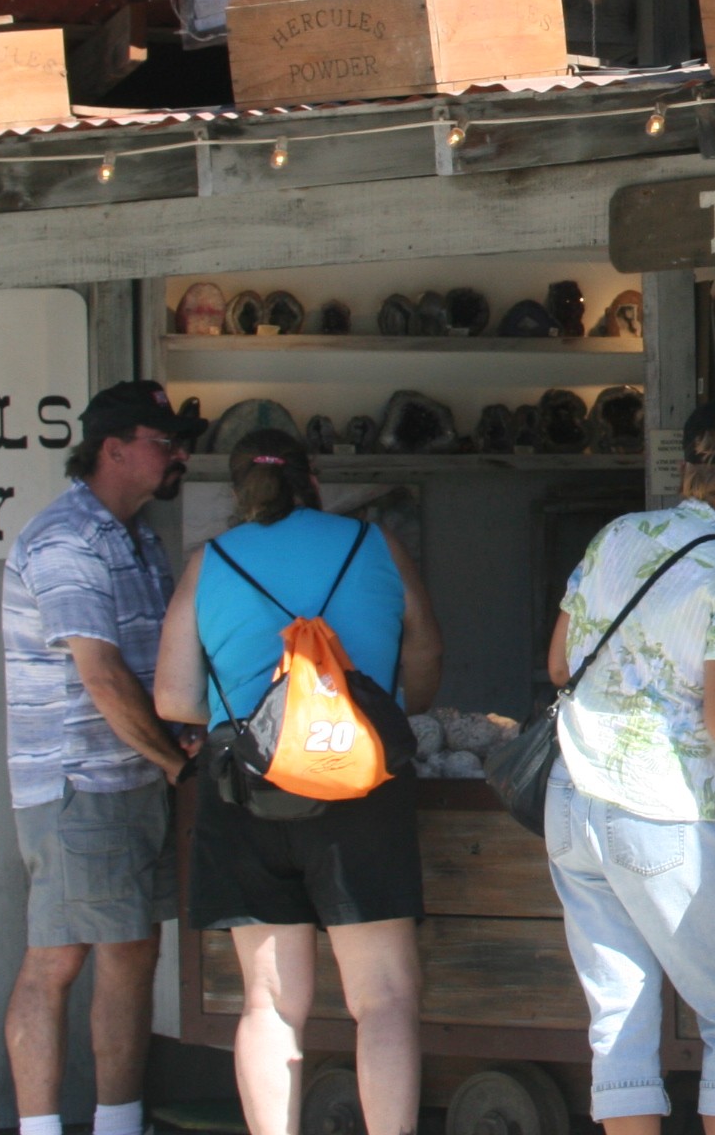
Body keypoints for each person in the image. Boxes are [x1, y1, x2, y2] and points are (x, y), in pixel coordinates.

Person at [154, 430, 442, 1135]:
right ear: (314, 478)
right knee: (383, 1000)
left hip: (246, 789)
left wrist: (247, 712)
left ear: (237, 486)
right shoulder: (372, 546)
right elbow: (426, 659)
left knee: (271, 1005)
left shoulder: (209, 562)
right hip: (359, 784)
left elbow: (171, 698)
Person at [543, 396, 715, 1135]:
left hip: (572, 802)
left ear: (685, 471)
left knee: (620, 1015)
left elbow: (557, 664)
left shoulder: (614, 537)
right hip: (665, 814)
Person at [1, 380, 204, 1135]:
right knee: (56, 958)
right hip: (79, 781)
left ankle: (118, 1124)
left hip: (130, 775)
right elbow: (102, 675)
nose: (178, 454)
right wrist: (177, 764)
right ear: (113, 449)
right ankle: (40, 1128)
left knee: (129, 949)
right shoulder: (68, 540)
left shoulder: (135, 534)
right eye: (162, 441)